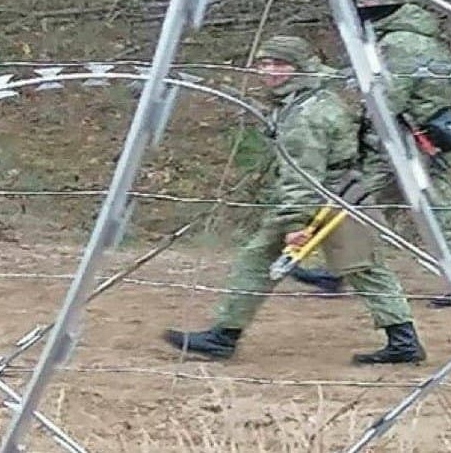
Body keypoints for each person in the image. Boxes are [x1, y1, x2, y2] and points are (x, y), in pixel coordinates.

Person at [164, 35, 426, 364]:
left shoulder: (306, 114)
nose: (269, 71)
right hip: (341, 192)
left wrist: (295, 223)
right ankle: (224, 334)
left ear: (299, 67)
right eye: (264, 63)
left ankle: (403, 342)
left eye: (279, 64)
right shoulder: (310, 99)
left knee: (363, 268)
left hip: (330, 198)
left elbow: (303, 174)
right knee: (262, 259)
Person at [291, 0, 451, 307]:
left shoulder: (401, 43)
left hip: (405, 144)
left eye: (364, 6)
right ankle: (341, 272)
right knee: (365, 204)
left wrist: (359, 123)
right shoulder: (405, 38)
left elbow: (387, 97)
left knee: (424, 210)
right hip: (402, 141)